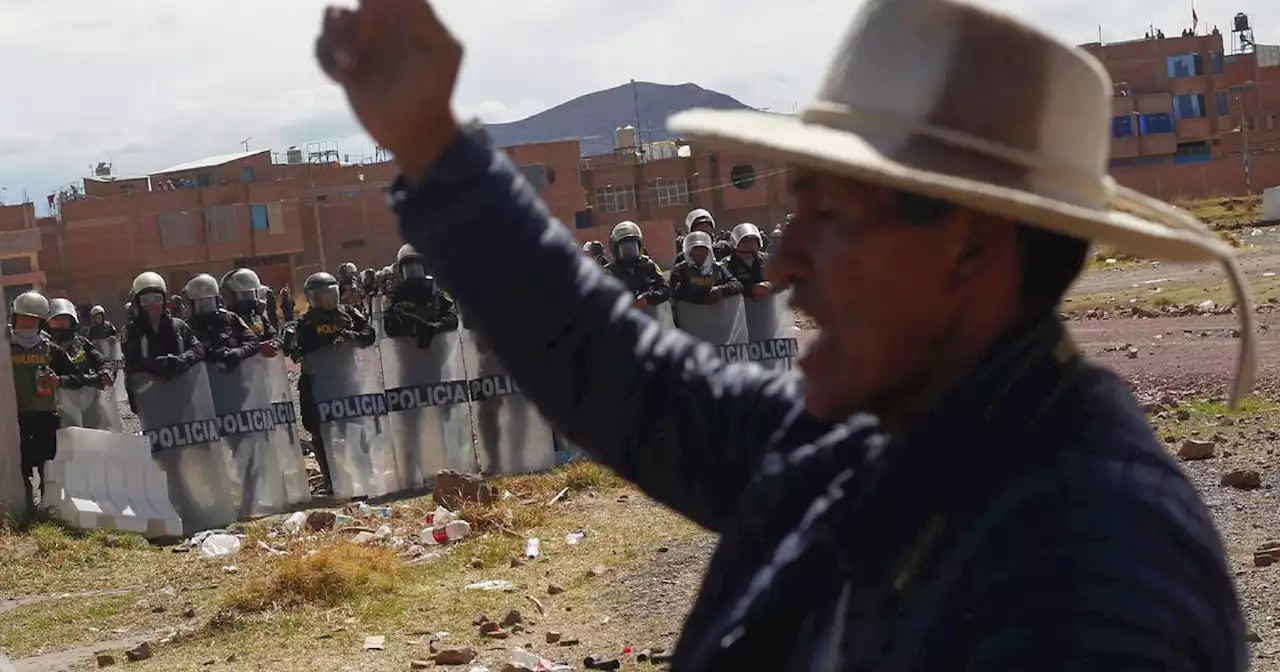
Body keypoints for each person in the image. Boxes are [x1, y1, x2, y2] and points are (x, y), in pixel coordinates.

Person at [317, 0, 1254, 668]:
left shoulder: (1088, 577)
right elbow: (626, 376)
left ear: (970, 245)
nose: (782, 263)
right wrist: (436, 147)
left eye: (831, 219)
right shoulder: (866, 447)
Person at [285, 272, 376, 494]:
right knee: (318, 430)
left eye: (330, 292)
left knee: (356, 425)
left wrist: (350, 337)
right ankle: (332, 479)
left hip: (346, 379)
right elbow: (292, 346)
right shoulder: (305, 323)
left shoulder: (349, 314)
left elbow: (369, 333)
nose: (327, 298)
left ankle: (366, 474)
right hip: (317, 382)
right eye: (321, 294)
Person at [9, 291, 82, 511]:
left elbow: (77, 374)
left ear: (41, 321)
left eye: (33, 318)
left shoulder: (50, 349)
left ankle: (49, 508)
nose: (28, 322)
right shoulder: (5, 347)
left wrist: (58, 380)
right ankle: (25, 509)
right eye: (23, 317)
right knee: (20, 465)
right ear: (15, 318)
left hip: (45, 415)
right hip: (15, 417)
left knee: (47, 465)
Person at [122, 272, 204, 396]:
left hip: (182, 391)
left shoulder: (179, 326)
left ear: (165, 301)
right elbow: (132, 361)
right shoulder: (131, 331)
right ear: (138, 304)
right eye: (145, 300)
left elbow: (198, 349)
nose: (152, 305)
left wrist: (179, 361)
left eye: (157, 299)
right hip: (149, 396)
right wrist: (156, 366)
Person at [383, 243, 459, 345]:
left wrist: (434, 327)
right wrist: (414, 328)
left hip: (439, 353)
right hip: (408, 355)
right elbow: (389, 326)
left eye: (417, 267)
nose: (413, 272)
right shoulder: (397, 296)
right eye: (408, 269)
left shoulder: (435, 292)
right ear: (400, 272)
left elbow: (452, 319)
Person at [184, 274, 260, 371]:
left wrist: (239, 352)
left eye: (209, 301)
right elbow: (186, 353)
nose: (205, 307)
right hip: (204, 381)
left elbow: (253, 341)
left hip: (238, 379)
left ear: (217, 300)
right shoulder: (187, 327)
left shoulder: (231, 318)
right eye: (200, 303)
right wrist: (212, 354)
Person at [603, 222, 669, 309]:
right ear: (615, 250)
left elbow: (666, 290)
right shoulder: (607, 273)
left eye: (633, 246)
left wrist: (649, 298)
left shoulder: (650, 266)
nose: (630, 251)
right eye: (625, 248)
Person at [668, 231, 743, 305]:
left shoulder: (717, 269)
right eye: (696, 249)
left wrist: (720, 290)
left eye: (703, 249)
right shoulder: (680, 270)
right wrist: (702, 298)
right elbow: (675, 290)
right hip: (690, 314)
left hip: (717, 314)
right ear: (689, 252)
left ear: (709, 251)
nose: (700, 253)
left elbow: (737, 285)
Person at [222, 268, 281, 356]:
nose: (250, 299)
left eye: (252, 294)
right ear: (230, 297)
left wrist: (275, 344)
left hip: (265, 366)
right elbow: (231, 348)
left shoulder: (257, 316)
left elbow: (274, 334)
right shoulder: (227, 321)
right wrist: (258, 347)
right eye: (244, 295)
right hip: (241, 368)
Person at [724, 223, 779, 300]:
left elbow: (784, 278)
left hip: (768, 307)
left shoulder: (768, 259)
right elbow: (724, 286)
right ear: (736, 244)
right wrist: (751, 289)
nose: (749, 244)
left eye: (752, 241)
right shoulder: (726, 264)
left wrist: (771, 285)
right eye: (744, 241)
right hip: (739, 308)